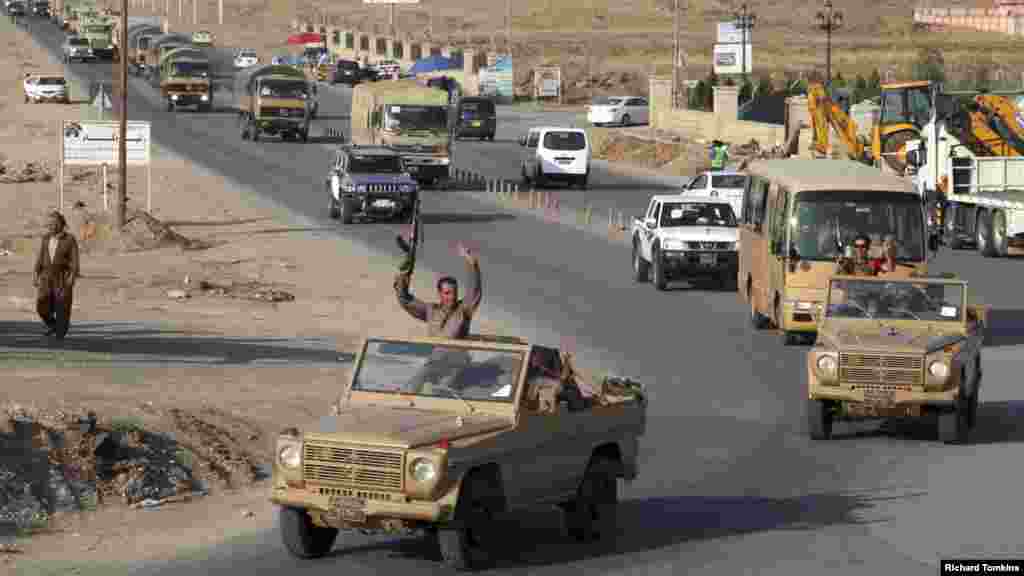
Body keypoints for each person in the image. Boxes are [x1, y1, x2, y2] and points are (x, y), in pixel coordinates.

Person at [394, 242, 482, 339]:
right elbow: (405, 300)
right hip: (434, 353)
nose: (452, 297)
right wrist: (404, 272)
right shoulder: (431, 311)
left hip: (457, 354)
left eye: (455, 293)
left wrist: (473, 265)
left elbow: (474, 292)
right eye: (447, 293)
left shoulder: (463, 310)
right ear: (440, 294)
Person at [34, 211, 80, 340]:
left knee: (62, 307)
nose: (50, 226)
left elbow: (75, 260)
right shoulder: (45, 238)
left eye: (53, 224)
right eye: (48, 224)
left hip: (62, 277)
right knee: (41, 307)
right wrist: (35, 273)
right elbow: (40, 257)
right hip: (46, 277)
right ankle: (53, 325)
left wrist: (72, 277)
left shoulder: (70, 239)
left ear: (61, 224)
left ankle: (60, 333)